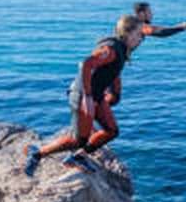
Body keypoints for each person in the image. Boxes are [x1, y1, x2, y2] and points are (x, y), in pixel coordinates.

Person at [24, 15, 143, 176]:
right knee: (79, 139)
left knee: (112, 130)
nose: (140, 38)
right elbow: (87, 64)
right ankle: (37, 153)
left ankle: (78, 157)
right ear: (127, 34)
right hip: (81, 94)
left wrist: (116, 93)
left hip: (96, 95)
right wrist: (87, 97)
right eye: (137, 34)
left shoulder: (122, 50)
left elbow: (113, 72)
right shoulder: (111, 49)